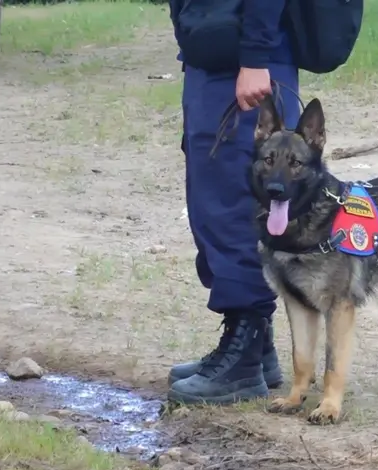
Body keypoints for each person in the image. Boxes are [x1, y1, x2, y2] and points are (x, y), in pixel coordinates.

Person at [166, 0, 302, 405]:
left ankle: (241, 361)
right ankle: (258, 352)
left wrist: (256, 56)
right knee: (212, 199)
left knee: (234, 205)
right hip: (215, 55)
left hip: (246, 64)